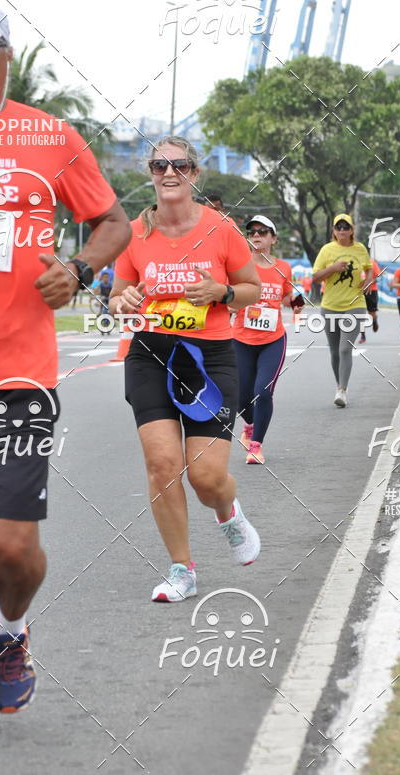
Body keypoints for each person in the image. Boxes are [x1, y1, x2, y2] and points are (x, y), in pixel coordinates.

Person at [0, 0, 130, 744]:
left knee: (8, 550)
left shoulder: (49, 138)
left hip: (14, 382)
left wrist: (78, 270)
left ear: (7, 58)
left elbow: (113, 222)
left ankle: (10, 627)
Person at [109, 136, 262, 604]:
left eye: (178, 165)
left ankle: (227, 510)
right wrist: (123, 300)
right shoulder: (134, 233)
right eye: (159, 165)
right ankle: (182, 569)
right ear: (151, 173)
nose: (168, 173)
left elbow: (252, 288)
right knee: (162, 464)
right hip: (150, 354)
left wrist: (221, 292)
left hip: (209, 357)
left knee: (206, 478)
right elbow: (116, 297)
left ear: (194, 173)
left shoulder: (221, 229)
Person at [232, 216, 292, 465]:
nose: (256, 235)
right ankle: (249, 424)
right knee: (240, 396)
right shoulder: (239, 266)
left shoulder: (284, 268)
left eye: (263, 232)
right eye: (252, 232)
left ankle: (256, 446)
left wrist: (297, 303)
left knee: (263, 392)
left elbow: (287, 297)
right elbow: (229, 296)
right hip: (241, 339)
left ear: (273, 238)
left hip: (272, 340)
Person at [312, 214, 373, 408]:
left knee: (345, 348)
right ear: (333, 231)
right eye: (338, 227)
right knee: (335, 351)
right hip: (330, 306)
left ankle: (342, 390)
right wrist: (333, 268)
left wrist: (368, 280)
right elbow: (315, 277)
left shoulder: (360, 249)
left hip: (355, 304)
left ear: (352, 230)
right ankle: (340, 385)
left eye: (345, 227)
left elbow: (369, 268)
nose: (342, 230)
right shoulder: (327, 250)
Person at [359, 256, 381, 343]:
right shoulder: (354, 262)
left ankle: (374, 321)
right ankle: (362, 335)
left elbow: (378, 277)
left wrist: (369, 283)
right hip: (359, 291)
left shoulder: (372, 262)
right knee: (360, 314)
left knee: (371, 313)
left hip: (372, 290)